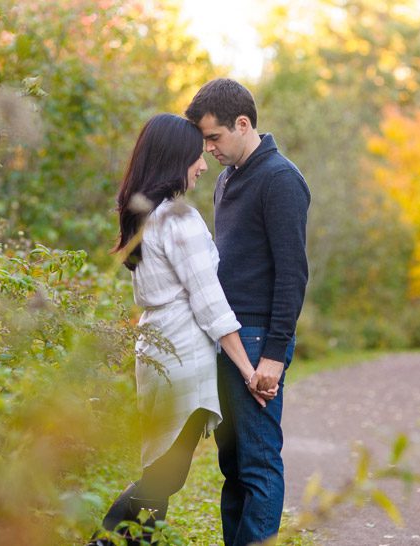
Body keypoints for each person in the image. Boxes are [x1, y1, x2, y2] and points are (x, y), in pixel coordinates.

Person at [90, 113, 276, 545]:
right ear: (176, 159)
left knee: (160, 474)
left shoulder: (144, 215)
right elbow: (209, 303)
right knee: (162, 479)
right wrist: (249, 370)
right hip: (181, 358)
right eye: (196, 155)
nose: (204, 164)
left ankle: (113, 542)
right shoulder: (177, 218)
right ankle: (106, 543)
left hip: (155, 350)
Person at [185, 79, 310, 546]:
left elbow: (293, 273)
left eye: (214, 137)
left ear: (243, 124)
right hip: (229, 337)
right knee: (232, 463)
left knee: (257, 462)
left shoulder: (280, 179)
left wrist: (274, 355)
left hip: (258, 339)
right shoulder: (227, 179)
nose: (210, 149)